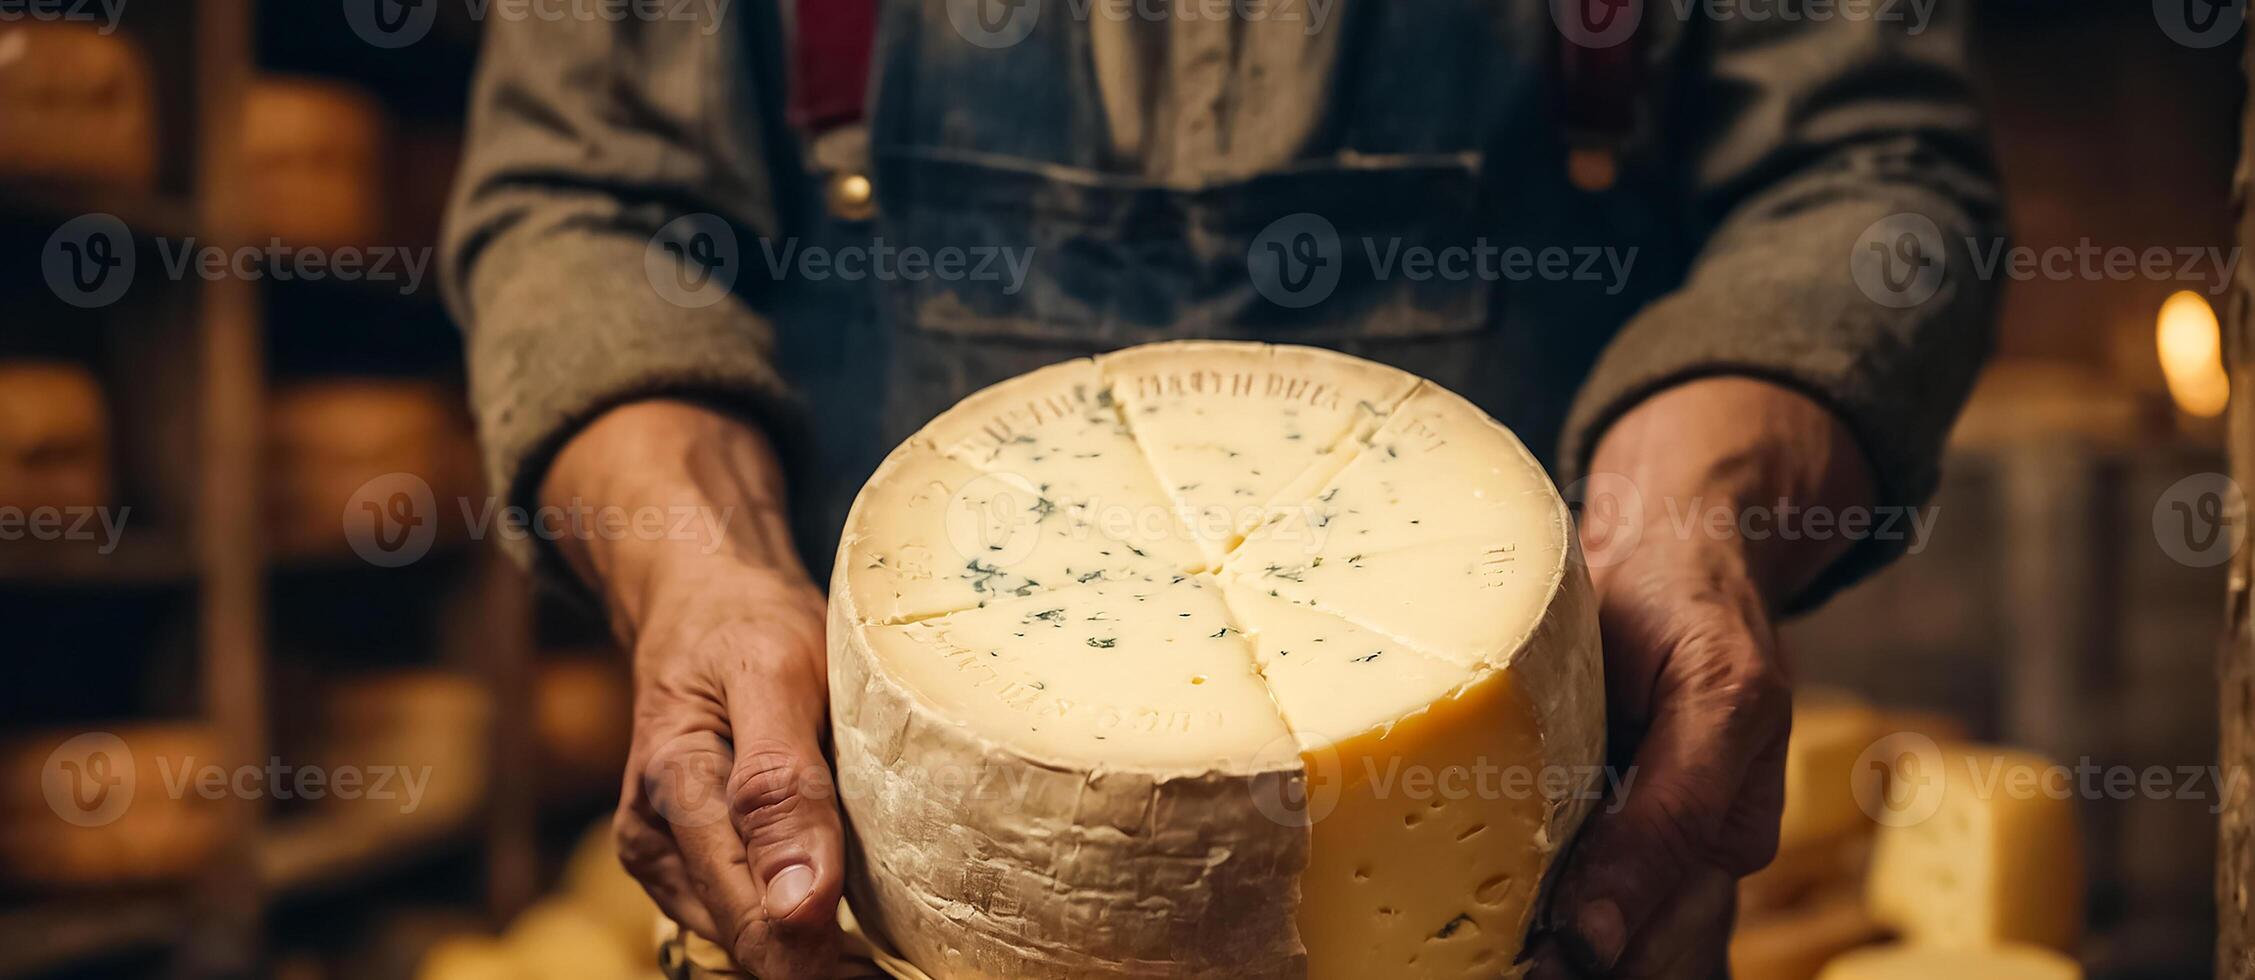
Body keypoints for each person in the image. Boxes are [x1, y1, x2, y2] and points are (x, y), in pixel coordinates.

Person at [441, 1, 1999, 975]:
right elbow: (585, 203)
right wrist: (700, 568)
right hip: (895, 908)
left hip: (1529, 891)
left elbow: (1867, 175)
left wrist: (1699, 509)